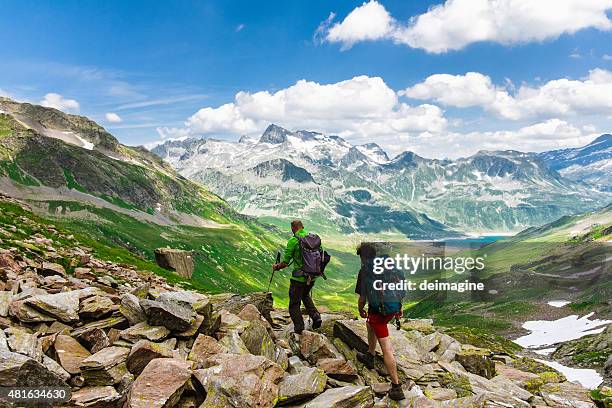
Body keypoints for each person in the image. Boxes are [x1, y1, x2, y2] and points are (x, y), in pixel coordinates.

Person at [354, 242, 406, 401]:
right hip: (392, 308)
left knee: (386, 347)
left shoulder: (365, 271)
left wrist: (360, 309)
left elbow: (362, 297)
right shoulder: (387, 266)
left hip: (379, 313)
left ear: (363, 257)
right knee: (369, 324)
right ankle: (370, 354)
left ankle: (396, 387)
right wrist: (398, 306)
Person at [272, 220, 322, 334]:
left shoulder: (293, 241)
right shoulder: (314, 239)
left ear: (293, 228)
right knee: (305, 295)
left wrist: (276, 266)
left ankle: (299, 329)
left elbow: (285, 262)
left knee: (294, 304)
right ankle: (316, 316)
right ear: (303, 227)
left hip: (298, 279)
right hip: (312, 277)